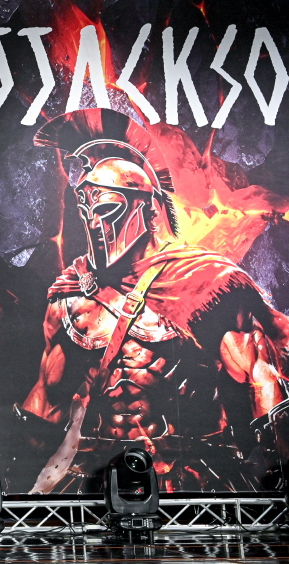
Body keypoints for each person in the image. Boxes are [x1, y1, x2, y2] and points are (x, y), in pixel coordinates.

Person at [17, 108, 289, 494]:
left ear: (147, 207)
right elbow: (47, 401)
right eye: (86, 212)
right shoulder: (73, 295)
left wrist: (274, 478)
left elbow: (263, 381)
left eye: (107, 208)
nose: (94, 224)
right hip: (102, 481)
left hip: (192, 483)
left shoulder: (206, 282)